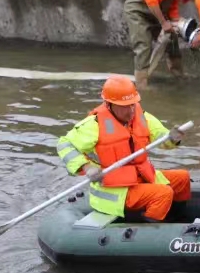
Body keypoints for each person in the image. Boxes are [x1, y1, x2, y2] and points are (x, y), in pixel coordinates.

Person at [56, 75, 190, 221]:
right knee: (163, 193)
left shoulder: (141, 116)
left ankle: (178, 222)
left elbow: (162, 139)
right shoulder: (94, 124)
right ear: (109, 104)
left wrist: (173, 139)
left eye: (133, 104)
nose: (131, 110)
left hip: (138, 177)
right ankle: (149, 228)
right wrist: (87, 168)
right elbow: (64, 145)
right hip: (114, 188)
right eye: (125, 106)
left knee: (182, 178)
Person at [123, 0, 200, 89]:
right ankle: (141, 85)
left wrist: (185, 29)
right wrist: (164, 23)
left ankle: (179, 74)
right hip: (137, 11)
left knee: (172, 37)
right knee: (143, 45)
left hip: (155, 12)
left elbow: (172, 10)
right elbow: (151, 0)